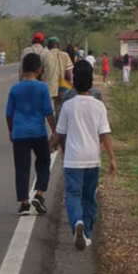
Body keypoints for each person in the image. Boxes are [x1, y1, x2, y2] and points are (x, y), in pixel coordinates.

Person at [52, 58, 115, 251]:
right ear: (91, 82)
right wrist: (112, 157)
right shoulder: (98, 105)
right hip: (92, 159)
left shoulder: (68, 105)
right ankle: (86, 233)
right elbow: (105, 134)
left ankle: (77, 223)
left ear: (74, 81)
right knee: (89, 197)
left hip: (73, 159)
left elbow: (59, 133)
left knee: (72, 195)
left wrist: (51, 147)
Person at [5, 52, 54, 214]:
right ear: (39, 69)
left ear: (23, 69)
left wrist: (11, 132)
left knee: (21, 167)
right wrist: (55, 132)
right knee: (44, 162)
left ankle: (24, 203)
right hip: (38, 132)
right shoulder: (42, 88)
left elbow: (9, 114)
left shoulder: (15, 89)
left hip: (20, 133)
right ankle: (39, 194)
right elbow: (48, 112)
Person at [41, 36, 71, 112]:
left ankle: (52, 121)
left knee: (48, 108)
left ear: (48, 45)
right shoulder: (65, 55)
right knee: (60, 108)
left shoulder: (44, 55)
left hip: (48, 86)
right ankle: (58, 122)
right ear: (58, 45)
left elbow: (40, 72)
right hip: (62, 85)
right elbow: (68, 74)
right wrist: (69, 84)